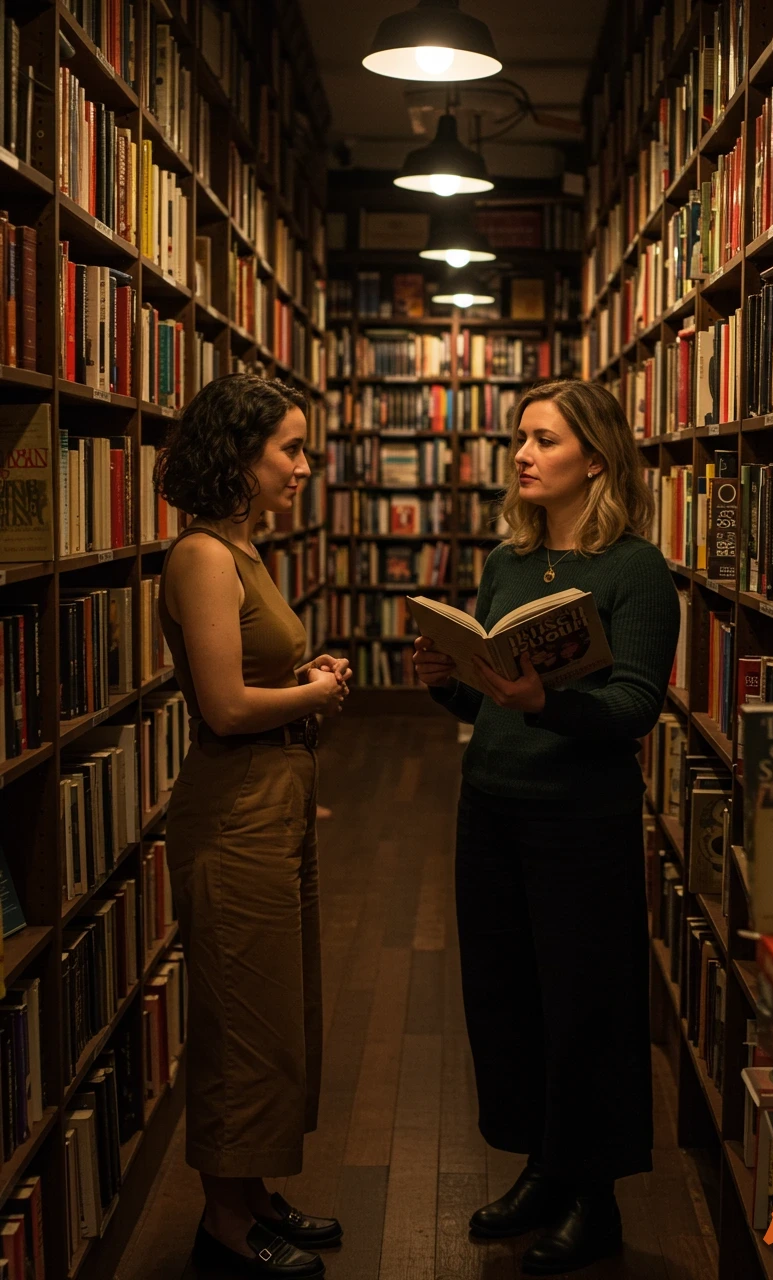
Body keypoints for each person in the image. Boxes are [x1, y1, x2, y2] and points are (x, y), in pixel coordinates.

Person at [413, 379, 680, 1275]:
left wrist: (545, 704)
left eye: (544, 440)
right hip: (489, 804)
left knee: (586, 1007)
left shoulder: (634, 568)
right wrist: (448, 677)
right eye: (521, 438)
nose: (522, 454)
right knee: (508, 999)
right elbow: (494, 697)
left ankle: (593, 1197)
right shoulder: (509, 561)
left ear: (595, 459)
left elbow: (635, 705)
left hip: (580, 818)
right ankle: (541, 1165)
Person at [155, 374, 352, 1277]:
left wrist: (304, 678)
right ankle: (223, 1225)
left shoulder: (246, 550)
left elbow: (252, 677)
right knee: (238, 1016)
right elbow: (228, 706)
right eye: (292, 450)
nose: (305, 467)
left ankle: (255, 1192)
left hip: (271, 804)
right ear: (240, 456)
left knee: (275, 1011)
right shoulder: (202, 555)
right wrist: (311, 692)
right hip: (234, 811)